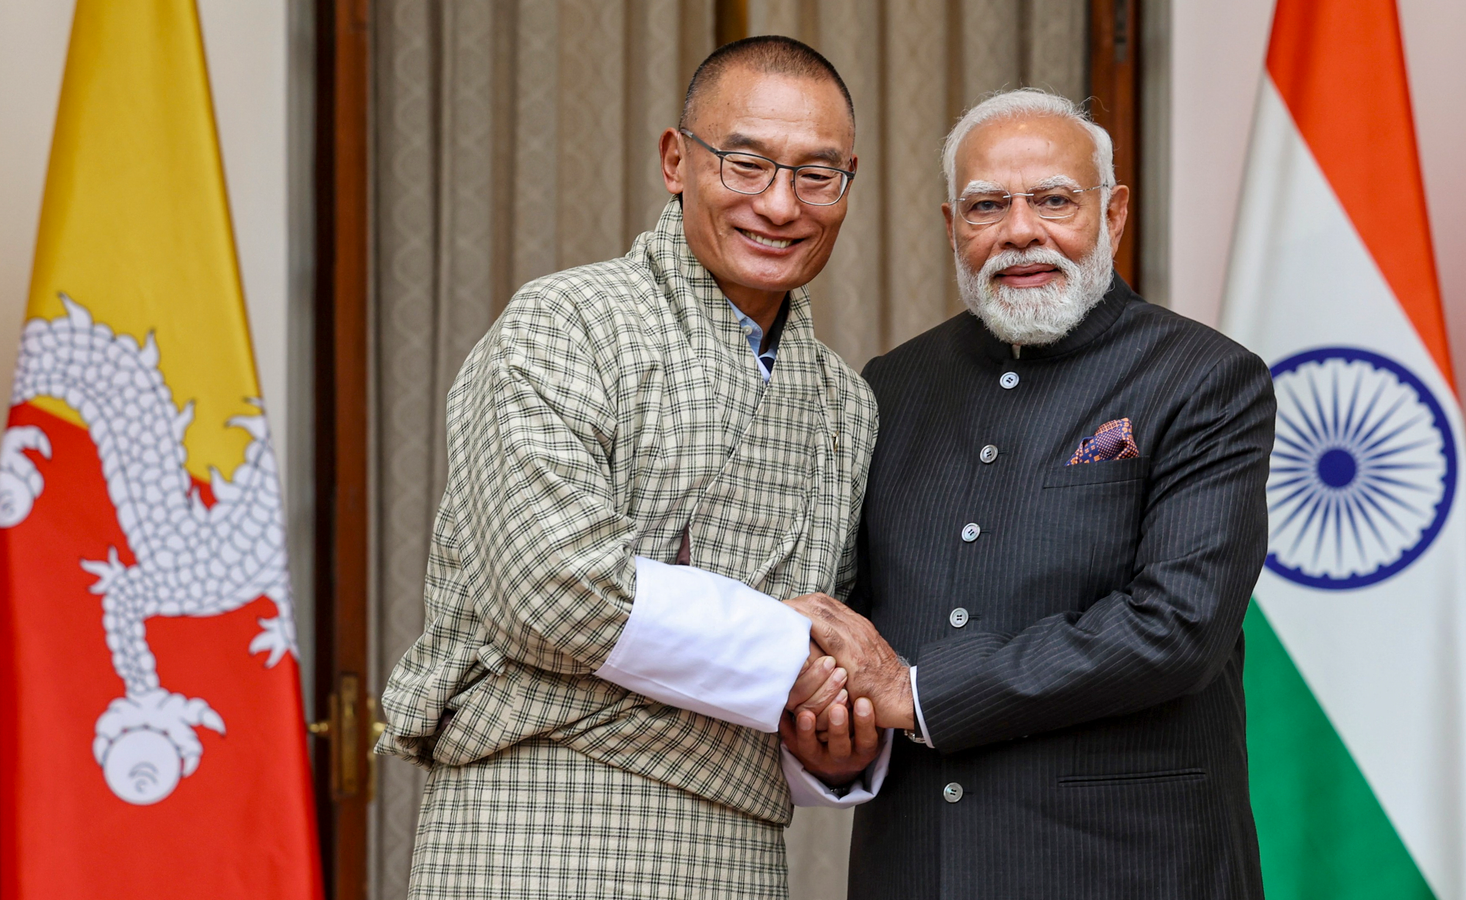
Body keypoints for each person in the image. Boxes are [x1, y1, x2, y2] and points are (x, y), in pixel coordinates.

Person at [376, 36, 886, 900]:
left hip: (733, 844)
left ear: (848, 184)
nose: (780, 204)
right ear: (675, 161)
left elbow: (829, 657)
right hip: (532, 822)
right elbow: (553, 590)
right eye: (746, 164)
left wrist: (834, 736)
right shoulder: (564, 324)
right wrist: (789, 652)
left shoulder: (844, 404)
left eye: (815, 175)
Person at [785, 88, 1276, 898]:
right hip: (917, 867)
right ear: (952, 228)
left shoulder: (1206, 380)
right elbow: (857, 622)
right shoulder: (891, 388)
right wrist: (837, 731)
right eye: (987, 206)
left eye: (1054, 199)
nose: (1020, 231)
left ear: (1114, 214)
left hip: (1127, 870)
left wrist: (916, 694)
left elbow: (1177, 626)